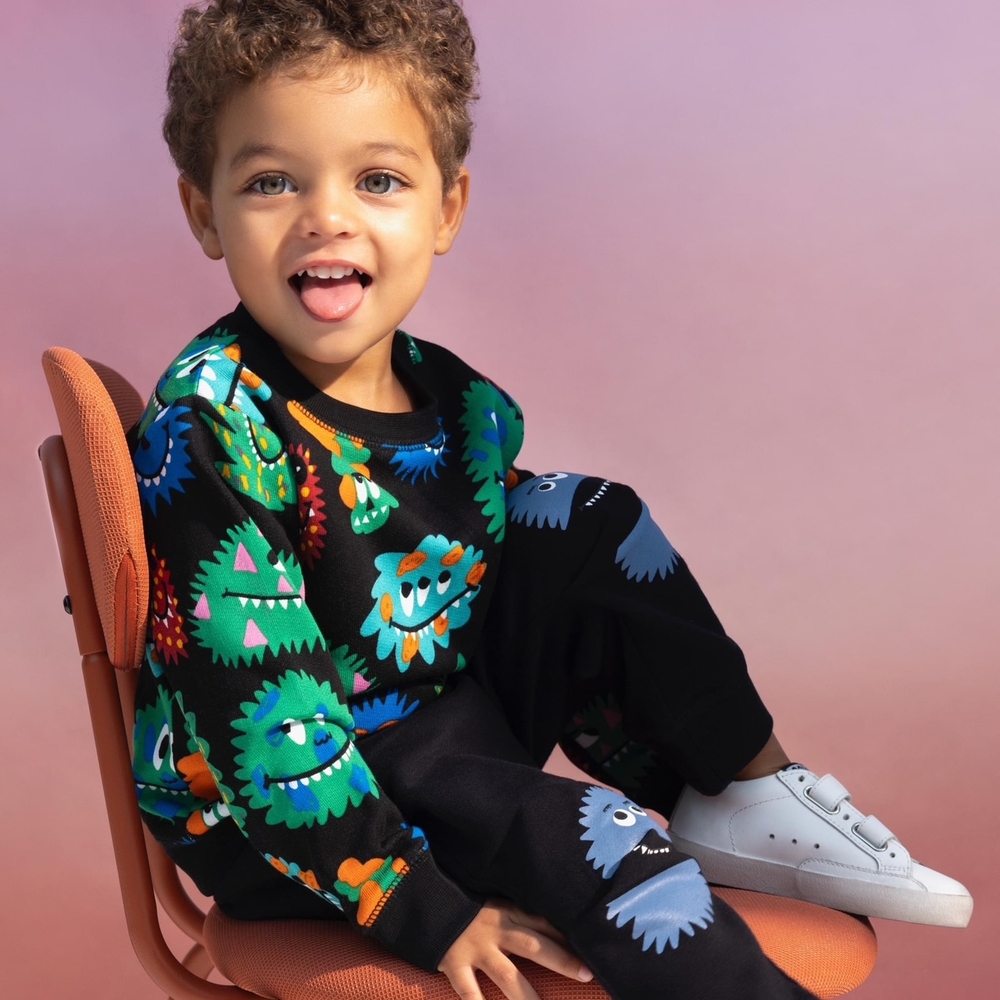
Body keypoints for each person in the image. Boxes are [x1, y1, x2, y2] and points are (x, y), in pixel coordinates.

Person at [129, 2, 971, 998]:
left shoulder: (457, 404)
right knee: (603, 838)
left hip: (435, 714)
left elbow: (533, 590)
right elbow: (266, 716)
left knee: (585, 518)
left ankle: (742, 793)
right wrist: (415, 903)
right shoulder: (213, 427)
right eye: (272, 181)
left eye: (378, 180)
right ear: (204, 212)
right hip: (283, 807)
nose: (327, 216)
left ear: (446, 209)